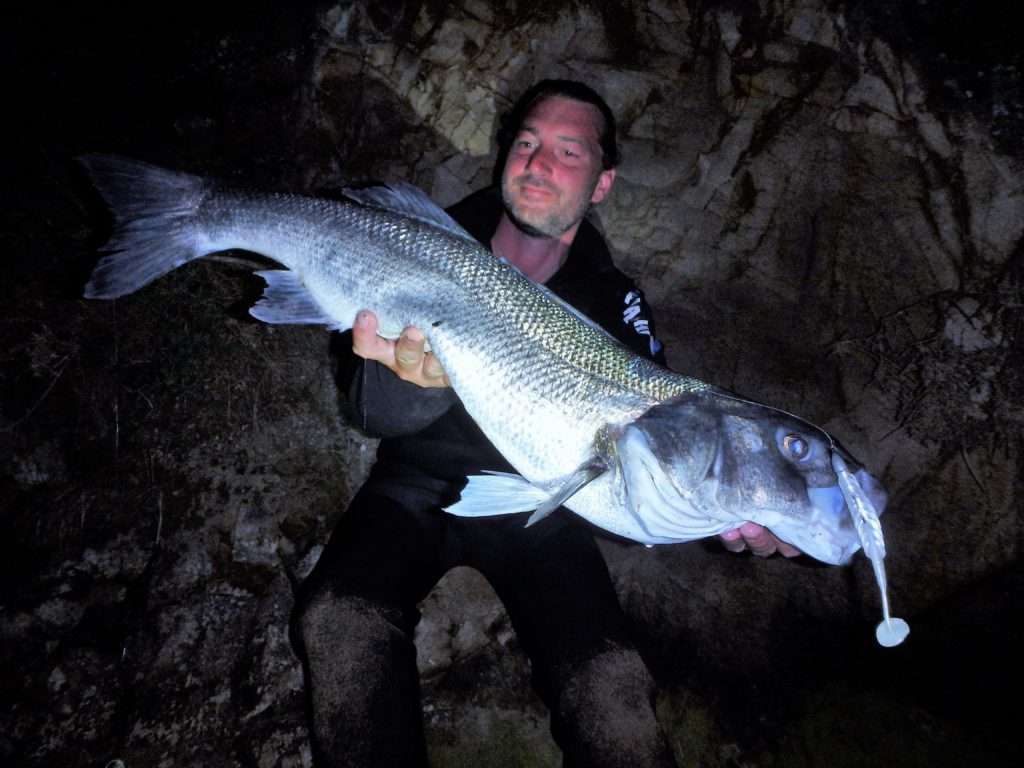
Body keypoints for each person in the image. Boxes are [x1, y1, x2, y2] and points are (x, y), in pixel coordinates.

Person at [291, 79, 798, 768]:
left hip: (544, 504)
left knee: (608, 679)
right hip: (416, 482)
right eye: (527, 142)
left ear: (601, 182)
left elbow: (652, 438)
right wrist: (407, 383)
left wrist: (725, 508)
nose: (538, 162)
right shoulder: (418, 240)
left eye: (567, 150)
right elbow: (371, 415)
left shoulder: (615, 302)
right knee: (340, 618)